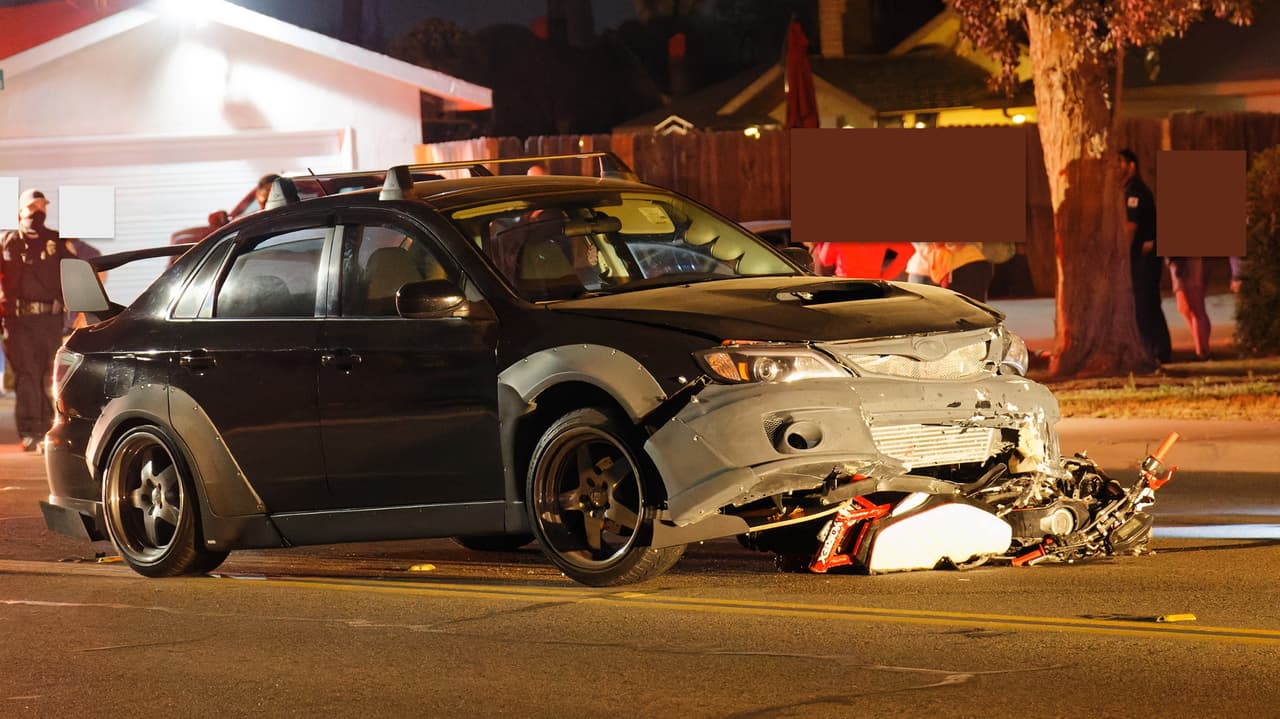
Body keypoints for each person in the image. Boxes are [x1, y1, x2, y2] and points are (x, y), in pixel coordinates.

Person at [1, 189, 77, 452]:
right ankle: (31, 431)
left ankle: (50, 429)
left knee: (49, 375)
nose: (38, 212)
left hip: (49, 319)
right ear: (20, 211)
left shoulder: (57, 241)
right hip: (17, 321)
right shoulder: (7, 242)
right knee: (27, 376)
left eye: (42, 207)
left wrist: (79, 310)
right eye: (33, 208)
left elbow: (75, 274)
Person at [1120, 149, 1172, 364]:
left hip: (1144, 257)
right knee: (1148, 301)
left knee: (1144, 302)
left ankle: (1155, 349)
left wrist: (1121, 253)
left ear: (1131, 166)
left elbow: (1131, 227)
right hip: (1145, 255)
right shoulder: (1128, 189)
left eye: (1120, 163)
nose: (1116, 168)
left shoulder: (1135, 191)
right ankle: (1158, 349)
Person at [1166, 256, 1211, 360]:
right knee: (1184, 307)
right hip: (1177, 259)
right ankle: (1202, 349)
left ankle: (1202, 351)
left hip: (1188, 258)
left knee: (1195, 307)